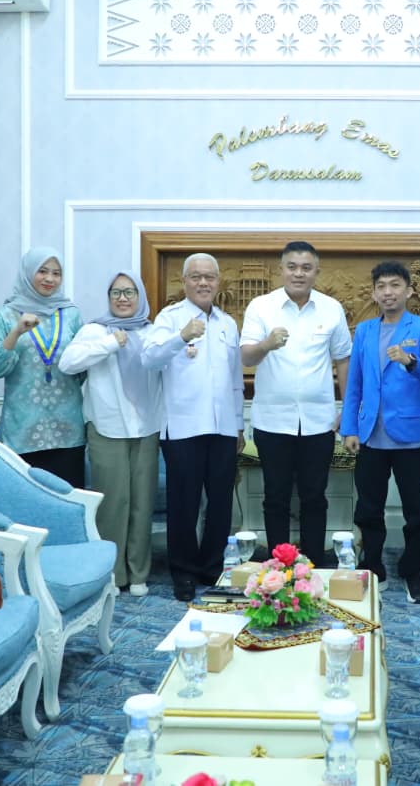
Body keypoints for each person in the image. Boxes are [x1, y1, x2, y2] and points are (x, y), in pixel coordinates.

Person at [241, 241, 352, 566]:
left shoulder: (331, 308)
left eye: (306, 267)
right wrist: (266, 344)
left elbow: (343, 359)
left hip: (318, 421)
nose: (298, 273)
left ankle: (312, 565)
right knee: (275, 497)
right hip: (272, 421)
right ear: (282, 269)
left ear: (316, 271)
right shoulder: (261, 307)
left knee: (314, 497)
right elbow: (246, 356)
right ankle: (278, 565)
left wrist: (346, 409)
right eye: (292, 267)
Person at [141, 253, 245, 603]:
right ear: (184, 282)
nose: (203, 282)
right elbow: (148, 359)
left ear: (218, 282)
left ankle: (212, 568)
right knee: (184, 504)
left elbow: (235, 379)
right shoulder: (170, 318)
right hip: (182, 427)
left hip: (223, 428)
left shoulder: (227, 323)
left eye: (209, 277)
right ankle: (183, 571)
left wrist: (238, 425)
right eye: (196, 276)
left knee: (220, 504)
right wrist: (180, 337)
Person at [340, 261, 420, 604]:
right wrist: (349, 428)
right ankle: (372, 567)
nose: (388, 292)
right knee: (369, 509)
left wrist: (410, 361)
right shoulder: (365, 330)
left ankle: (414, 571)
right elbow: (354, 384)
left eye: (395, 285)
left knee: (415, 511)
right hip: (370, 435)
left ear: (409, 290)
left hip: (411, 435)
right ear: (373, 293)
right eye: (381, 286)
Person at [59, 271, 164, 596]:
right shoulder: (95, 330)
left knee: (142, 504)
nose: (122, 298)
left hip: (146, 428)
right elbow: (68, 363)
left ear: (140, 296)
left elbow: (167, 363)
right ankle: (113, 575)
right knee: (113, 504)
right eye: (116, 292)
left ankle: (139, 573)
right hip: (107, 429)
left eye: (130, 292)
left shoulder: (152, 331)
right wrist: (109, 344)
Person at [0, 247, 86, 486]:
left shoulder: (71, 314)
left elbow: (82, 366)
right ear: (28, 272)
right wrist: (16, 333)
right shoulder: (7, 315)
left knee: (68, 497)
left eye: (56, 273)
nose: (49, 278)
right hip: (22, 429)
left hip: (67, 428)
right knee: (26, 500)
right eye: (42, 271)